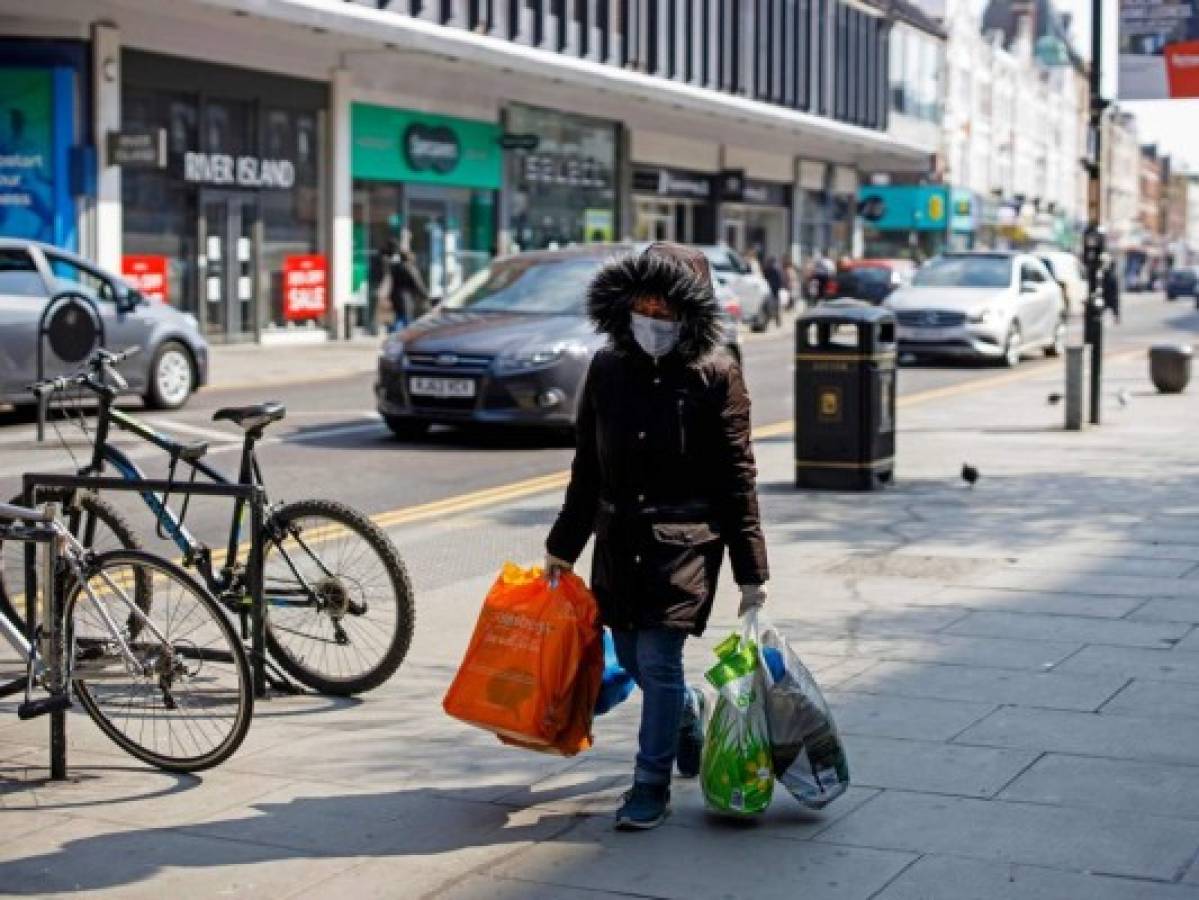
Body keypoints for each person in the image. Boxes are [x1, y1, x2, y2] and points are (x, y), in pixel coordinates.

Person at [544, 242, 771, 831]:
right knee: (636, 661)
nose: (652, 321)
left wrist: (752, 571)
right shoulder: (607, 367)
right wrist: (562, 547)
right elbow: (586, 468)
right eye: (642, 307)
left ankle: (650, 785)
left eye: (664, 310)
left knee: (658, 660)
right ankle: (688, 716)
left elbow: (737, 477)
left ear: (689, 312)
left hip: (685, 540)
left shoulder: (717, 374)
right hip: (618, 538)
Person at [763, 255, 784, 327]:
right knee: (774, 307)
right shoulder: (775, 269)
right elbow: (780, 280)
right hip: (773, 290)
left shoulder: (768, 269)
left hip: (771, 290)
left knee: (771, 307)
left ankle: (772, 321)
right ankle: (776, 322)